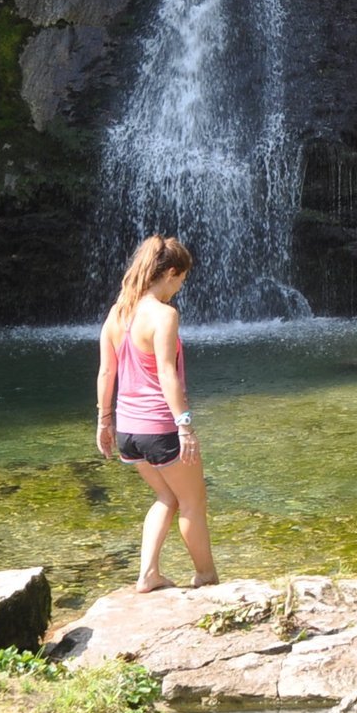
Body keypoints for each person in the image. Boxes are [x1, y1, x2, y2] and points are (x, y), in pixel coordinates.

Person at [95, 235, 218, 592]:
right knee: (193, 502)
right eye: (182, 280)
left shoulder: (118, 312)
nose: (180, 288)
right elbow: (166, 372)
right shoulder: (164, 315)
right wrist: (185, 426)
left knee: (167, 497)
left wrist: (104, 422)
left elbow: (105, 372)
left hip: (129, 433)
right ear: (171, 273)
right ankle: (207, 577)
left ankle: (148, 573)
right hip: (161, 427)